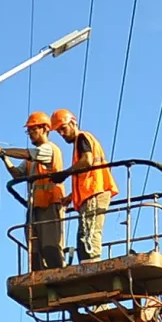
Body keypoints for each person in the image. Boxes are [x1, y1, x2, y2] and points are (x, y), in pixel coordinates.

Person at [0, 111, 68, 270]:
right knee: (34, 247)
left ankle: (57, 272)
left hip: (50, 204)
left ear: (45, 129)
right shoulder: (31, 160)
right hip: (35, 208)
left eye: (33, 129)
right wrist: (5, 158)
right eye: (28, 130)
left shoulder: (49, 149)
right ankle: (39, 274)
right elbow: (17, 174)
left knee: (50, 245)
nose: (30, 133)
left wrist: (1, 151)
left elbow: (28, 153)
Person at [50, 108, 118, 262]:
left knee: (89, 233)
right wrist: (71, 197)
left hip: (95, 193)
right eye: (58, 131)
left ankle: (91, 266)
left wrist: (65, 173)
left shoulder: (82, 138)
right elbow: (86, 178)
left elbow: (87, 161)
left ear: (73, 123)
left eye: (63, 128)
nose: (61, 133)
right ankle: (88, 264)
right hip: (92, 192)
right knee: (85, 233)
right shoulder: (80, 142)